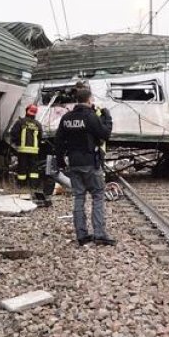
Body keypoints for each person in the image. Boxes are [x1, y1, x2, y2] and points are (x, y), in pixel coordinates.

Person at [55, 87, 115, 245]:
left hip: (74, 163)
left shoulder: (66, 118)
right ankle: (100, 234)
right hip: (90, 162)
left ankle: (81, 235)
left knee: (79, 197)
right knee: (97, 196)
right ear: (89, 100)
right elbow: (104, 134)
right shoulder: (90, 116)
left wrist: (60, 161)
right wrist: (107, 118)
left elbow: (59, 142)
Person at [8, 104, 49, 207]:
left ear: (27, 111)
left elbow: (13, 134)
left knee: (22, 168)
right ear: (35, 114)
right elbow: (40, 138)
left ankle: (21, 186)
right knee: (34, 170)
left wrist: (16, 143)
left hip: (22, 149)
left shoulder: (20, 122)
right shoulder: (38, 124)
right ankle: (33, 186)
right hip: (34, 151)